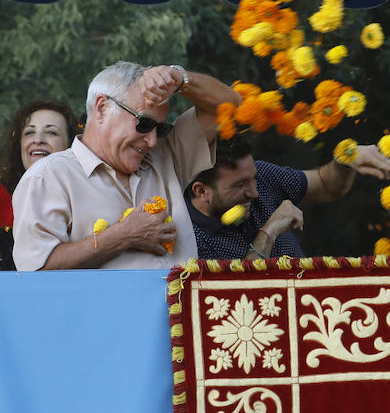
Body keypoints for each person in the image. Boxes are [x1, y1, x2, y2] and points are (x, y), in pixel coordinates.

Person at [11, 61, 239, 270]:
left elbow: (231, 107)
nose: (152, 140)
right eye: (145, 123)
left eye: (160, 129)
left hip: (178, 314)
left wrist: (179, 78)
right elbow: (36, 271)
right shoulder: (48, 177)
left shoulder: (165, 156)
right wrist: (123, 236)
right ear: (101, 108)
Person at [184, 136, 390, 260]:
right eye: (240, 185)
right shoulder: (189, 238)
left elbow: (326, 184)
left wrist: (344, 161)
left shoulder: (262, 175)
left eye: (253, 179)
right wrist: (269, 232)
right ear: (201, 191)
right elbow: (241, 297)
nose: (254, 193)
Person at [0, 100, 80, 270]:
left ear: (71, 144)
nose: (38, 140)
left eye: (51, 132)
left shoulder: (84, 194)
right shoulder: (2, 194)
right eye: (29, 132)